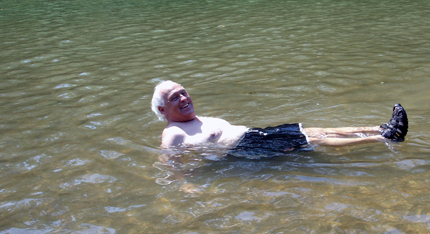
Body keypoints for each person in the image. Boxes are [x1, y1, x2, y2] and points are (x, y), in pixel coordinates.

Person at [151, 80, 408, 157]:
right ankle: (384, 138)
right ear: (163, 110)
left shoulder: (193, 121)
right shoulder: (173, 132)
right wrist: (187, 187)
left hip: (255, 135)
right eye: (174, 98)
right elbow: (170, 163)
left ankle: (381, 127)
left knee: (312, 129)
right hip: (248, 147)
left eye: (183, 93)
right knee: (314, 139)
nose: (184, 99)